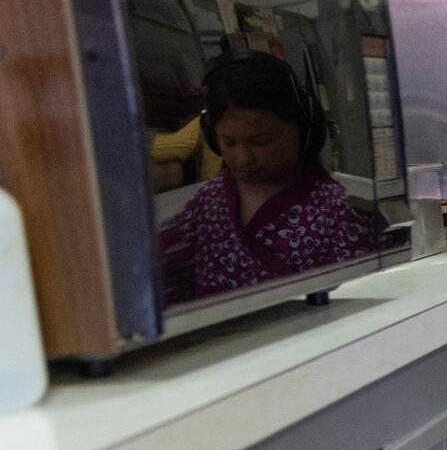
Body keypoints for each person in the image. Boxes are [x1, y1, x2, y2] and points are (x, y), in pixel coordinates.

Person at [159, 51, 379, 303]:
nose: (242, 159)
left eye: (261, 142)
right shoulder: (210, 200)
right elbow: (163, 269)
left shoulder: (337, 213)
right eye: (229, 143)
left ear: (303, 130)